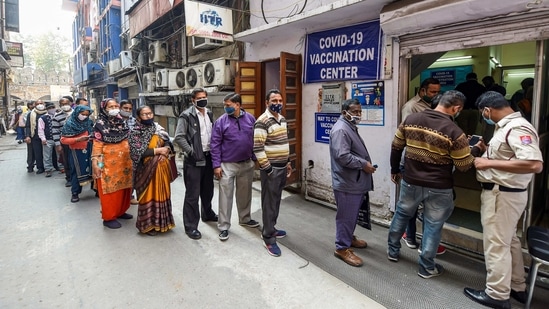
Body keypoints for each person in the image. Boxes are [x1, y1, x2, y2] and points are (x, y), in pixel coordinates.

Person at [463, 91, 543, 309]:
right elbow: (510, 156)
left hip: (502, 195)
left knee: (496, 245)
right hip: (508, 194)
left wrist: (487, 164)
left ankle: (497, 295)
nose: (484, 117)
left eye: (483, 114)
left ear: (487, 110)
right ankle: (517, 287)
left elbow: (534, 164)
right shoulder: (508, 127)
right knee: (510, 242)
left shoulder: (516, 127)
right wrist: (487, 152)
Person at [388, 90, 479, 278]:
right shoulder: (455, 131)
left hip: (411, 182)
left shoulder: (410, 119)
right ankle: (426, 267)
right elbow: (463, 166)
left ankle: (392, 251)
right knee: (432, 225)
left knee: (401, 214)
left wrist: (394, 169)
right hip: (439, 187)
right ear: (456, 108)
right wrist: (476, 149)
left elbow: (396, 146)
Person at [399, 78, 446, 255]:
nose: (436, 94)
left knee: (428, 205)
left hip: (430, 161)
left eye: (438, 91)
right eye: (433, 92)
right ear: (423, 90)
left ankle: (427, 242)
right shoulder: (411, 107)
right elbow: (405, 135)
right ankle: (410, 237)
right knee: (410, 204)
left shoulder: (436, 106)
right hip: (414, 161)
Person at [329, 99, 375, 267]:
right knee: (346, 216)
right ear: (344, 112)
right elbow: (342, 156)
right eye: (354, 111)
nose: (358, 114)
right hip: (347, 182)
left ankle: (348, 237)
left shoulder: (348, 126)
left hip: (353, 181)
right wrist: (363, 164)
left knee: (352, 214)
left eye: (359, 111)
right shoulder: (341, 129)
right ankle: (342, 248)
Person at [210, 93, 259, 241]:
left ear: (238, 105)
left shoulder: (250, 119)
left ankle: (245, 218)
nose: (226, 108)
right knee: (225, 196)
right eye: (225, 105)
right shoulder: (220, 122)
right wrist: (216, 165)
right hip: (227, 165)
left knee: (245, 194)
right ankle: (224, 226)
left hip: (246, 163)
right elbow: (215, 144)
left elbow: (256, 139)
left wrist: (255, 158)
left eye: (228, 105)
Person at [174, 88, 218, 240]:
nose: (202, 100)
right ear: (193, 100)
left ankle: (208, 213)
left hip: (208, 157)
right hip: (194, 160)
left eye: (204, 97)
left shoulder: (210, 113)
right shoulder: (186, 115)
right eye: (199, 98)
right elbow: (179, 137)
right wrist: (191, 151)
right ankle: (191, 226)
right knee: (193, 194)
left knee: (208, 189)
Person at [253, 89, 292, 257]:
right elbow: (258, 148)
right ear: (267, 103)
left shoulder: (282, 119)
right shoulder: (262, 121)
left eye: (280, 100)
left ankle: (272, 228)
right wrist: (268, 168)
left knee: (276, 200)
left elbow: (284, 142)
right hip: (271, 169)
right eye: (274, 100)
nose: (278, 103)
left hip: (282, 167)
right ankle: (268, 237)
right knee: (269, 202)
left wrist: (288, 162)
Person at [128, 106, 176, 236]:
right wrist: (157, 151)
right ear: (139, 117)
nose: (148, 116)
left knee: (163, 194)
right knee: (149, 196)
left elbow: (168, 144)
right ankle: (149, 225)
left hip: (161, 169)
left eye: (150, 113)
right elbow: (136, 152)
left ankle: (164, 223)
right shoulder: (135, 132)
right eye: (144, 114)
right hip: (145, 170)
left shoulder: (158, 128)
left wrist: (165, 150)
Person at [91, 98, 133, 229]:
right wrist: (96, 163)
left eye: (116, 105)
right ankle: (109, 217)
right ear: (104, 108)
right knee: (109, 190)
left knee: (124, 188)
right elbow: (97, 145)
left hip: (125, 161)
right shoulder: (99, 124)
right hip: (108, 163)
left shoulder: (122, 121)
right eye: (111, 106)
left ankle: (121, 211)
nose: (114, 108)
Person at [60, 105, 95, 203]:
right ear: (77, 113)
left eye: (86, 115)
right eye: (82, 114)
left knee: (94, 169)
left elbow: (94, 133)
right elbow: (63, 140)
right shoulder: (70, 124)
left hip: (90, 148)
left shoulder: (89, 122)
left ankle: (95, 189)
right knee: (76, 171)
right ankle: (75, 193)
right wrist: (78, 139)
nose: (84, 116)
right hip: (77, 150)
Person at [119, 99, 139, 205]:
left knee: (131, 175)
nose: (128, 110)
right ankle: (119, 198)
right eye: (125, 108)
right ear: (120, 108)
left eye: (130, 109)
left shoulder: (134, 121)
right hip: (117, 153)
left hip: (131, 152)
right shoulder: (113, 120)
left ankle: (130, 196)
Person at [53, 97, 74, 187]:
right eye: (63, 104)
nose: (65, 106)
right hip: (65, 142)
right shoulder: (57, 117)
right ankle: (69, 178)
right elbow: (55, 131)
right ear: (60, 105)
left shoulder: (77, 113)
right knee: (67, 161)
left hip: (78, 142)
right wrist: (58, 145)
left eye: (67, 103)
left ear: (71, 103)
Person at [24, 100, 47, 174]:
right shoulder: (31, 114)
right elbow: (27, 126)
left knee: (48, 153)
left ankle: (49, 167)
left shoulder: (48, 113)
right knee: (37, 153)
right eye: (38, 104)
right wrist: (27, 136)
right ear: (35, 105)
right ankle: (40, 167)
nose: (40, 105)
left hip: (47, 136)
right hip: (35, 136)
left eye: (41, 103)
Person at [37, 102, 59, 177]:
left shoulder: (58, 116)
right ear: (46, 109)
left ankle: (61, 167)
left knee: (59, 154)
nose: (51, 109)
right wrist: (43, 138)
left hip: (58, 139)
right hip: (48, 139)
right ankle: (48, 169)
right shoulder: (42, 118)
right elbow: (40, 129)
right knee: (47, 155)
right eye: (49, 108)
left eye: (52, 107)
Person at [23, 101, 36, 172]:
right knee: (31, 151)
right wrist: (27, 136)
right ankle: (30, 165)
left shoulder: (41, 113)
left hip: (39, 135)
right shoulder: (28, 114)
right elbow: (27, 125)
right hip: (30, 134)